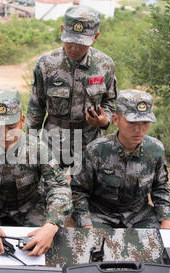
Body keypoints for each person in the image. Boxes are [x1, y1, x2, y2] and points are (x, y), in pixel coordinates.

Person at [0, 88, 72, 256]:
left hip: (30, 208)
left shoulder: (38, 149)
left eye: (11, 127)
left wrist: (51, 224)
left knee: (46, 249)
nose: (5, 135)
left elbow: (59, 187)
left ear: (22, 121)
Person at [26, 5, 117, 170]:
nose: (74, 48)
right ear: (62, 30)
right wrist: (29, 143)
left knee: (86, 193)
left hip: (89, 144)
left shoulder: (105, 65)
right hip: (53, 143)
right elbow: (36, 107)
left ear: (95, 37)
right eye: (70, 40)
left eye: (81, 43)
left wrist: (105, 120)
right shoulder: (46, 64)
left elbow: (110, 101)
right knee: (50, 190)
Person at [71, 89, 170, 229]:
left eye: (145, 122)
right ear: (116, 120)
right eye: (132, 122)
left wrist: (166, 219)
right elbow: (78, 190)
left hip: (139, 215)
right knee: (96, 246)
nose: (139, 130)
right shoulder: (96, 150)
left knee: (157, 245)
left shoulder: (155, 149)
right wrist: (86, 224)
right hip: (100, 215)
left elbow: (160, 187)